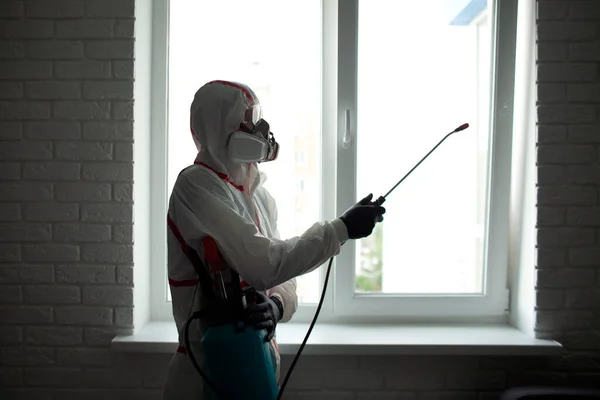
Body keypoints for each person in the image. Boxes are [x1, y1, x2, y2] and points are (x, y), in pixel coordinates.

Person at [161, 80, 385, 399]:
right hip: (205, 373)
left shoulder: (261, 198)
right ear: (219, 127)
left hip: (255, 361)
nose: (260, 128)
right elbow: (265, 265)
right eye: (248, 118)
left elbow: (282, 275)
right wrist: (341, 228)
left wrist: (276, 306)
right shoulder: (196, 186)